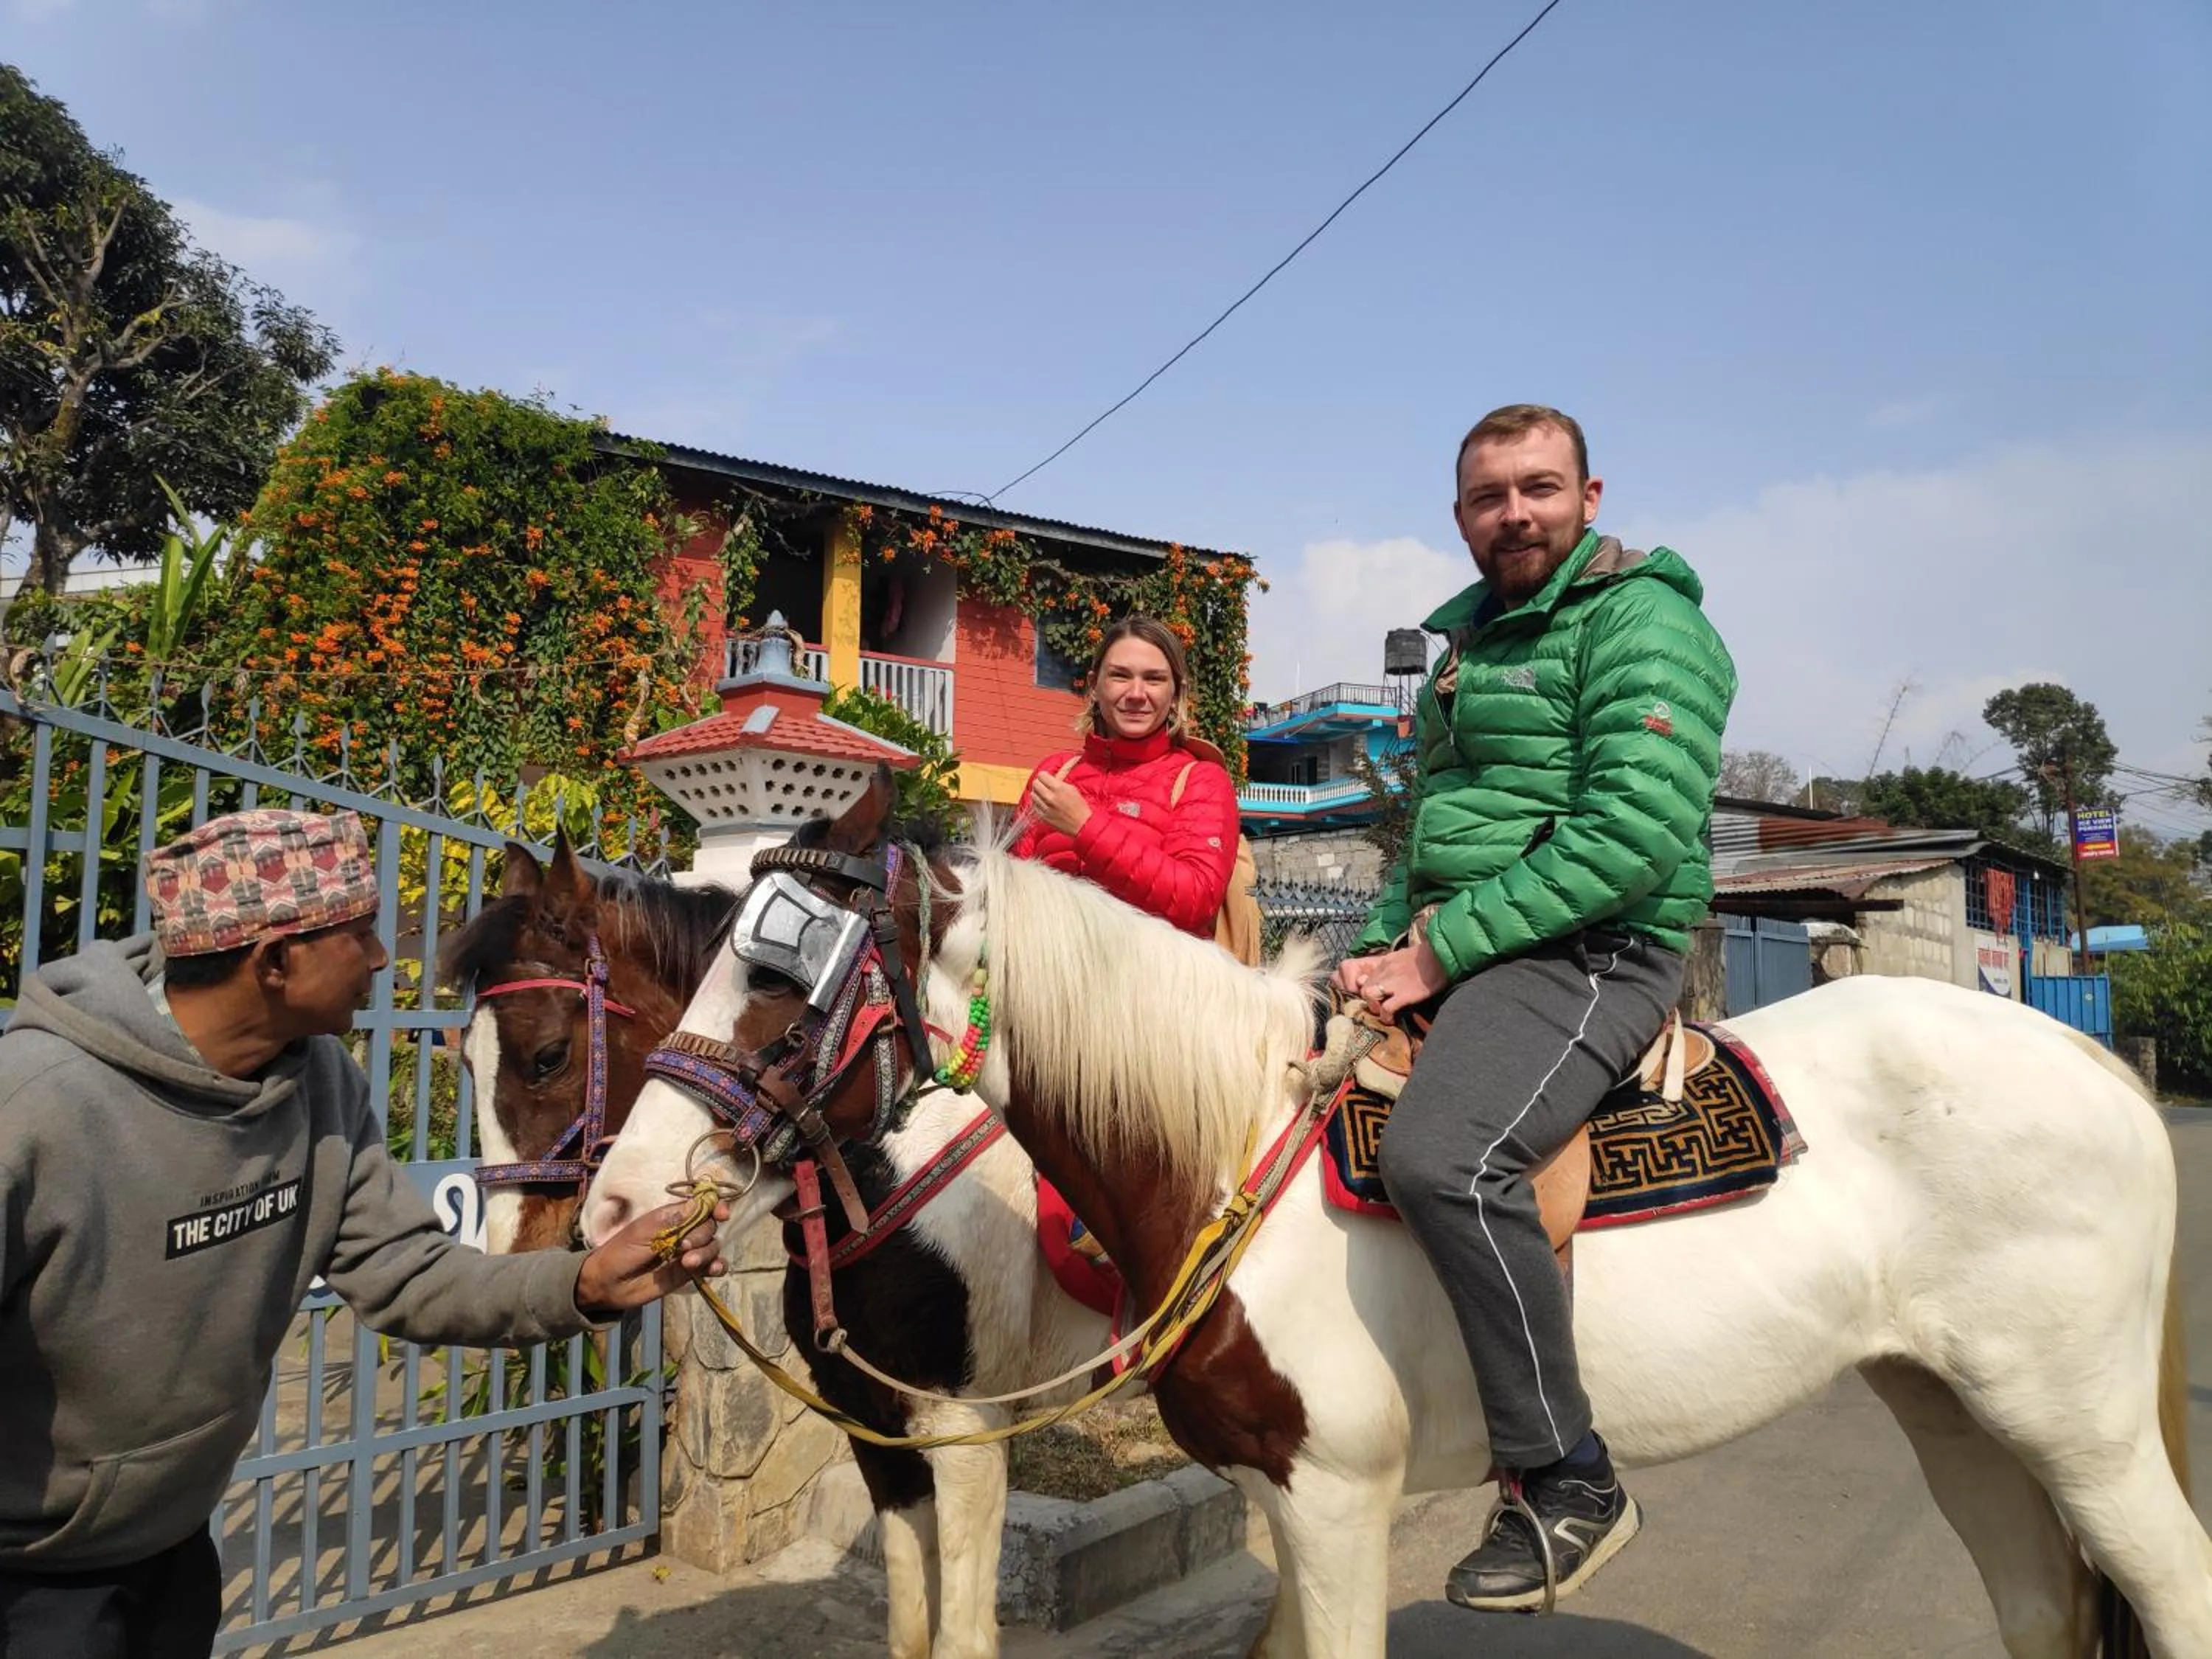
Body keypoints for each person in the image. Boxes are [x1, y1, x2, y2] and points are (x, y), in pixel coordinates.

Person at [0, 809, 726, 1658]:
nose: (384, 960)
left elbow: (405, 1271)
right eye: (358, 935)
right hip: (29, 1579)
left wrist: (584, 1284)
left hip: (173, 1550)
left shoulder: (321, 1085)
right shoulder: (35, 1107)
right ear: (275, 962)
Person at [1335, 405, 1736, 1613]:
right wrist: (1370, 952)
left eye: (1538, 488)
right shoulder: (1464, 642)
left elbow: (1629, 836)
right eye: (1488, 495)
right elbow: (1431, 832)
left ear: (1590, 496)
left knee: (1444, 1156)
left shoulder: (1647, 624)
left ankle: (1567, 1476)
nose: (1514, 512)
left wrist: (1437, 954)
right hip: (1471, 939)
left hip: (1595, 944)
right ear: (1460, 514)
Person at [1010, 614, 1241, 939]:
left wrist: (1085, 827)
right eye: (1120, 676)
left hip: (1152, 987)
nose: (1136, 693)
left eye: (1154, 679)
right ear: (1094, 686)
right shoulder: (1053, 773)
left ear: (1176, 693)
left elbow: (1197, 899)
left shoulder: (1201, 780)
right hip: (1048, 984)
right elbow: (1011, 893)